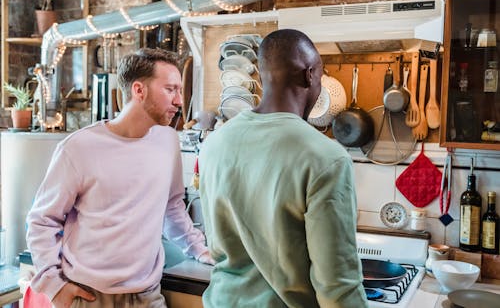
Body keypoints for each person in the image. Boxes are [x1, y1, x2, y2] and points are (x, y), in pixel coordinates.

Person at [26, 48, 214, 308]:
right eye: (170, 89)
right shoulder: (79, 148)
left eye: (179, 90)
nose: (179, 101)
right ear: (139, 90)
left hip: (147, 295)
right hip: (89, 296)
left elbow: (171, 207)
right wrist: (54, 286)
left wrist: (199, 249)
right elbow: (42, 221)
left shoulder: (168, 139)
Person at [198, 29, 368, 308]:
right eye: (320, 76)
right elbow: (337, 284)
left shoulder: (214, 145)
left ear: (264, 76)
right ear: (309, 75)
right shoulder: (326, 157)